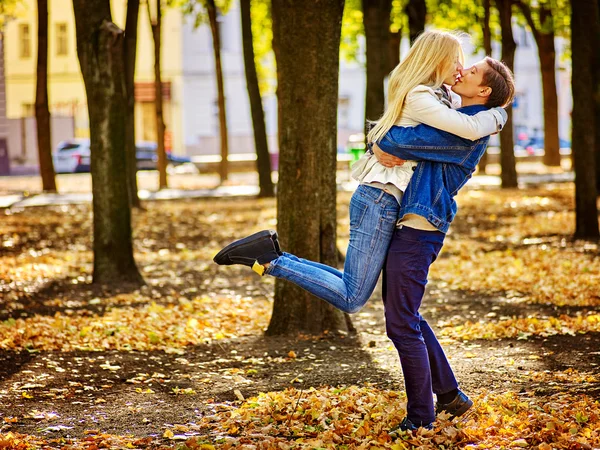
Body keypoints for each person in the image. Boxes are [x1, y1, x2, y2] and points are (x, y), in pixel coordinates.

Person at [213, 30, 506, 316]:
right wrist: (499, 114)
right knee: (352, 297)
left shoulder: (441, 96)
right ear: (437, 59)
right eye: (456, 60)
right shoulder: (421, 96)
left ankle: (271, 253)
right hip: (379, 199)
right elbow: (462, 129)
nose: (461, 68)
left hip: (385, 199)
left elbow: (404, 129)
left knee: (350, 285)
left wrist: (377, 141)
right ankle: (271, 260)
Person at [370, 56, 516, 433]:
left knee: (400, 324)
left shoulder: (462, 133)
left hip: (420, 230)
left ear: (482, 91)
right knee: (407, 315)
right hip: (414, 226)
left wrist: (382, 138)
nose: (461, 71)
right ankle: (450, 395)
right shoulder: (458, 118)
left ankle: (420, 416)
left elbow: (394, 138)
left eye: (470, 73)